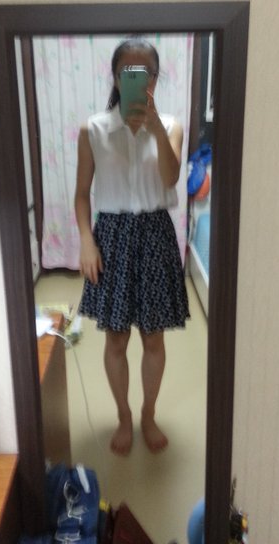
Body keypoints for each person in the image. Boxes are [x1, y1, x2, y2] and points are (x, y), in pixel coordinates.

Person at [75, 37, 189, 456]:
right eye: (128, 72)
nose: (138, 80)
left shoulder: (172, 126)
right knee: (116, 339)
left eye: (146, 73)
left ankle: (148, 414)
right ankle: (123, 416)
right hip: (112, 236)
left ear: (155, 79)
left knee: (154, 339)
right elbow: (81, 194)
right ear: (115, 77)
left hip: (156, 233)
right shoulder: (93, 129)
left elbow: (171, 178)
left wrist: (155, 126)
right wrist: (86, 241)